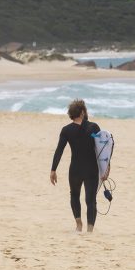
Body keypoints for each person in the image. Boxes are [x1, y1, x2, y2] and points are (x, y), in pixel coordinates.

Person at [50, 99, 106, 233]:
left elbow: (59, 150)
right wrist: (106, 167)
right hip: (91, 169)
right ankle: (90, 229)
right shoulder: (93, 128)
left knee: (74, 195)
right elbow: (102, 148)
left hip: (75, 169)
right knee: (91, 200)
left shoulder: (66, 130)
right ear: (82, 112)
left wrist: (53, 169)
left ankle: (79, 224)